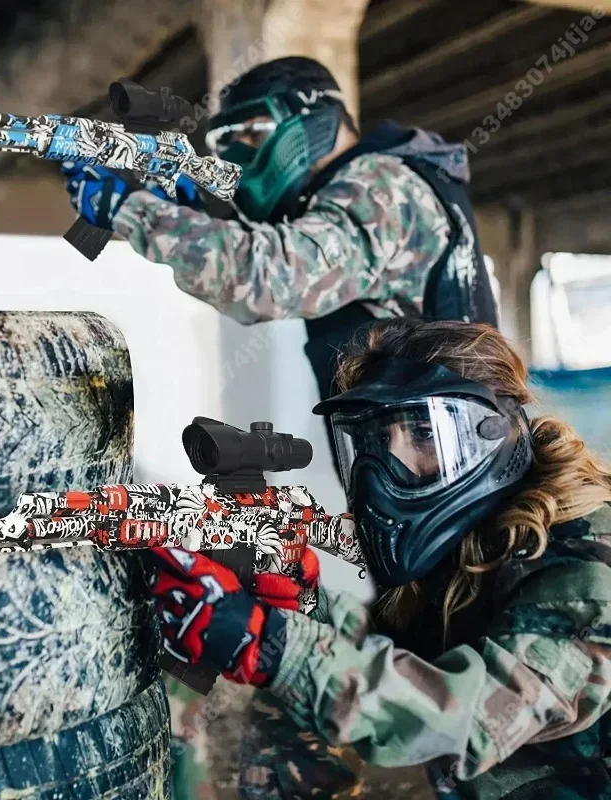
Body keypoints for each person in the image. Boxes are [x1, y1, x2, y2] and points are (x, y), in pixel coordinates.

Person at [148, 318, 611, 799]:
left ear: (496, 433)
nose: (390, 467)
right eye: (371, 442)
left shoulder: (587, 555)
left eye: (425, 434)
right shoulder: (469, 536)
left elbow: (475, 717)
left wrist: (276, 646)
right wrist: (305, 610)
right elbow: (408, 662)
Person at [62, 56, 498, 466]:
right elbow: (267, 268)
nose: (240, 155)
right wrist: (186, 221)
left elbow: (267, 279)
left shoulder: (379, 186)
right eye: (228, 143)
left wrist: (130, 209)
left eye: (252, 133)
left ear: (307, 118)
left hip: (448, 468)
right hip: (430, 463)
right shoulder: (361, 192)